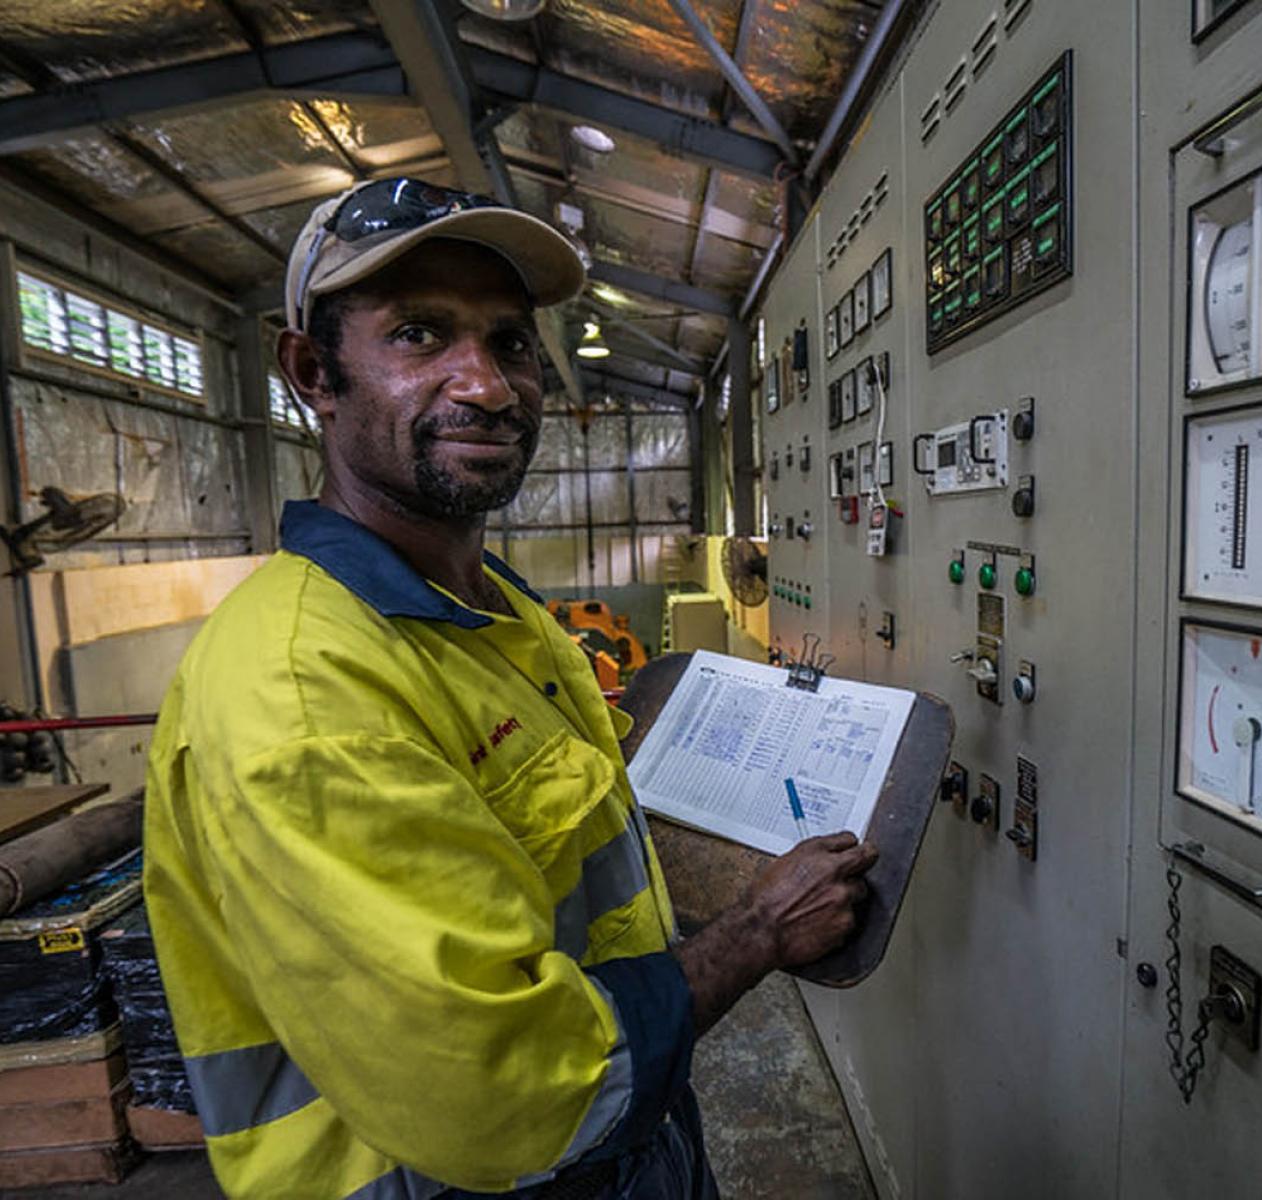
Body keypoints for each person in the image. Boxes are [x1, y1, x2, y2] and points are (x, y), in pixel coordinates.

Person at [142, 178, 878, 1200]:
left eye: (509, 343)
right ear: (314, 372)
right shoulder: (307, 695)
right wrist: (756, 932)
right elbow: (507, 1090)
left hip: (626, 1136)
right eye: (417, 334)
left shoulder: (490, 610)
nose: (485, 385)